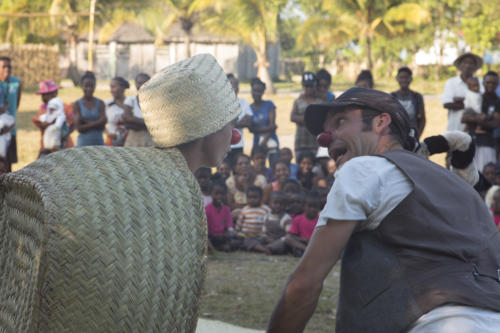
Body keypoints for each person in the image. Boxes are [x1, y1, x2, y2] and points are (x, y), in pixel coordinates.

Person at [0, 53, 242, 331]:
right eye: (230, 122)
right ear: (209, 127)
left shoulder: (136, 183)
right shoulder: (173, 204)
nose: (235, 135)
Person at [268, 87, 500, 332]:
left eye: (340, 121)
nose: (324, 138)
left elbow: (303, 285)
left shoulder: (363, 169)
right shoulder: (463, 189)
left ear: (380, 122)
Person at [462, 71, 500, 171]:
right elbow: (464, 117)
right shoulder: (476, 96)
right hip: (470, 142)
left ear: (497, 84)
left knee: (485, 174)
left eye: (494, 83)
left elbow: (495, 124)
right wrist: (481, 118)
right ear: (483, 82)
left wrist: (474, 119)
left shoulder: (497, 102)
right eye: (488, 82)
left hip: (486, 143)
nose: (491, 85)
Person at [442, 52, 483, 132]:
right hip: (455, 128)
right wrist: (472, 102)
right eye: (464, 62)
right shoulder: (451, 82)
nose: (467, 65)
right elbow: (447, 104)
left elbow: (484, 101)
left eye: (471, 63)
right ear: (460, 65)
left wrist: (459, 101)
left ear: (475, 66)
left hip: (475, 129)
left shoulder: (481, 82)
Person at [32, 79, 74, 155]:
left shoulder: (64, 108)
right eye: (43, 95)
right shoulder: (42, 110)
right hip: (47, 148)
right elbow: (41, 124)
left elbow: (73, 123)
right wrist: (53, 120)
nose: (43, 97)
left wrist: (65, 133)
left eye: (46, 94)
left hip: (65, 148)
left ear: (54, 94)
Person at [291, 72, 323, 159]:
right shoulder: (298, 101)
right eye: (306, 86)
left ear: (315, 86)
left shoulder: (320, 102)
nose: (308, 89)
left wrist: (302, 119)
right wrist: (309, 119)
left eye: (311, 86)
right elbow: (292, 117)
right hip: (300, 142)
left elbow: (322, 119)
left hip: (315, 142)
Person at [249, 78, 279, 164]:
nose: (257, 94)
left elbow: (272, 126)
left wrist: (264, 141)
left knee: (274, 166)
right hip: (257, 143)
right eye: (255, 90)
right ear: (251, 90)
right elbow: (251, 129)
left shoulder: (269, 104)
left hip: (271, 141)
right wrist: (268, 128)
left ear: (263, 92)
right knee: (258, 167)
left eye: (260, 91)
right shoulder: (249, 108)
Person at [390, 66, 426, 139]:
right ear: (397, 78)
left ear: (411, 79)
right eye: (401, 77)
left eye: (406, 77)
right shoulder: (392, 96)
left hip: (412, 135)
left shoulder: (417, 96)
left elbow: (422, 118)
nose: (404, 80)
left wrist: (418, 135)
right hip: (396, 136)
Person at [0, 56, 22, 172]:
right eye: (4, 67)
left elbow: (16, 104)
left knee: (8, 167)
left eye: (9, 67)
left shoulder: (17, 83)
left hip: (11, 130)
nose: (7, 69)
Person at [73, 71, 106, 146]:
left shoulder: (100, 103)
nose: (89, 89)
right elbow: (78, 128)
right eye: (86, 86)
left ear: (95, 86)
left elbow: (103, 125)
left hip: (99, 144)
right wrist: (97, 123)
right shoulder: (77, 104)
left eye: (91, 86)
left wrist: (86, 122)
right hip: (83, 144)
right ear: (81, 86)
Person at [227, 73, 253, 167]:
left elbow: (248, 122)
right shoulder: (220, 104)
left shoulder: (244, 103)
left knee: (238, 169)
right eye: (231, 84)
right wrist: (239, 122)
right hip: (223, 144)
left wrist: (230, 124)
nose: (235, 88)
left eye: (236, 85)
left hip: (238, 144)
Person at [284, 191, 321, 257]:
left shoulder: (321, 220)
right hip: (303, 243)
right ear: (304, 207)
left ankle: (306, 252)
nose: (312, 209)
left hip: (316, 243)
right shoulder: (298, 219)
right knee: (287, 238)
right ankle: (306, 250)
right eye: (309, 206)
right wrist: (303, 239)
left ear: (319, 208)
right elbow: (291, 236)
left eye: (315, 207)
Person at [235, 186, 271, 252]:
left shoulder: (266, 209)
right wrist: (236, 231)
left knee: (265, 240)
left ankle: (260, 248)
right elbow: (240, 222)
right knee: (239, 240)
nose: (252, 199)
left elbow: (269, 222)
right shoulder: (245, 209)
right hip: (246, 235)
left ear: (261, 198)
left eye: (255, 197)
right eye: (250, 197)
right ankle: (258, 248)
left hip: (260, 236)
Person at [122, 73, 154, 147]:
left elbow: (159, 123)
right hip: (133, 140)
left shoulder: (155, 102)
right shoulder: (130, 100)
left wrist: (133, 120)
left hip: (150, 140)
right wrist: (149, 124)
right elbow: (127, 122)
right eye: (139, 83)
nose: (142, 85)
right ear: (135, 85)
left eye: (145, 83)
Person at [205, 180, 236, 252]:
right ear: (211, 194)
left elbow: (229, 227)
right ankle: (214, 248)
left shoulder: (226, 210)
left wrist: (227, 234)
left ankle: (223, 246)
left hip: (223, 236)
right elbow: (205, 229)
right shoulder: (207, 209)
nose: (219, 196)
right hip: (211, 237)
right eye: (216, 194)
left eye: (222, 194)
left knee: (235, 240)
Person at [105, 77, 129, 146]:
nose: (111, 90)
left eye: (113, 87)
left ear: (122, 87)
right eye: (111, 87)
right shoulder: (107, 104)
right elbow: (100, 122)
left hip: (128, 142)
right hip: (111, 142)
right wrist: (108, 133)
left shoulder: (130, 103)